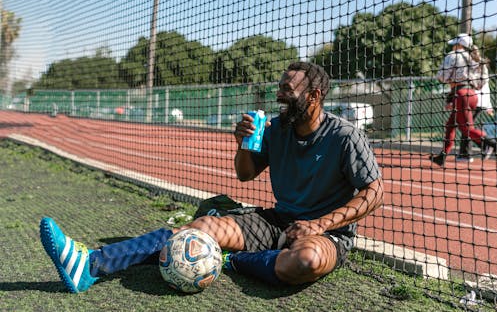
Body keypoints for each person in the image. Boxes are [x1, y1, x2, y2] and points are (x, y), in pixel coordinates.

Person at [39, 61, 384, 293]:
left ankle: (233, 260)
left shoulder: (344, 136)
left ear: (314, 96)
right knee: (200, 227)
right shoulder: (277, 129)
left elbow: (374, 192)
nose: (280, 95)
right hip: (277, 221)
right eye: (280, 87)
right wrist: (242, 145)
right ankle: (91, 264)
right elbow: (245, 175)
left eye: (288, 90)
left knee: (305, 262)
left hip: (329, 234)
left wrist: (319, 225)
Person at [429, 34, 497, 167]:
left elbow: (441, 76)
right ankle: (442, 156)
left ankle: (495, 144)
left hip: (461, 95)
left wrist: (452, 80)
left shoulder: (453, 55)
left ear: (459, 44)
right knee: (450, 125)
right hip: (472, 95)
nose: (453, 46)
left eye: (455, 44)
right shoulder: (475, 58)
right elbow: (482, 81)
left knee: (467, 129)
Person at [457, 45, 495, 162]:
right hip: (475, 100)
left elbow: (481, 84)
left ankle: (481, 147)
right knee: (466, 127)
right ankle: (481, 147)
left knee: (466, 127)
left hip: (474, 100)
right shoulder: (476, 65)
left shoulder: (475, 65)